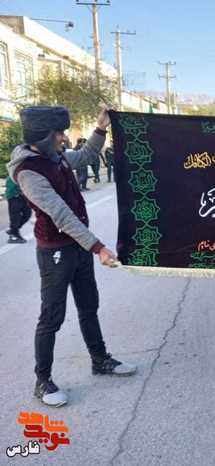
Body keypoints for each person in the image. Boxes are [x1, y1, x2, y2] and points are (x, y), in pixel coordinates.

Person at [6, 105, 136, 408]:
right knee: (52, 317)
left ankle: (100, 359)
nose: (64, 138)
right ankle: (43, 380)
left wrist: (101, 128)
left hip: (78, 248)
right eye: (59, 134)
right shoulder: (29, 172)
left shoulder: (57, 156)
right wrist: (98, 247)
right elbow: (62, 216)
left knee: (89, 306)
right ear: (44, 136)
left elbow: (87, 156)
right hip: (55, 252)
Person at [5, 175, 32, 243]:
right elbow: (10, 186)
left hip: (23, 196)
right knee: (15, 217)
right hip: (14, 196)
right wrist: (16, 193)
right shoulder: (13, 175)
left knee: (27, 214)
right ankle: (14, 235)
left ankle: (13, 230)